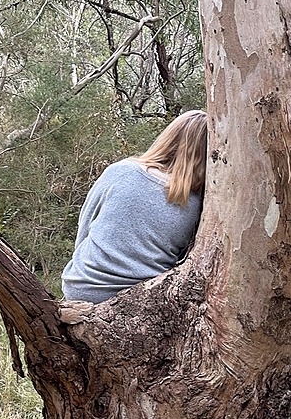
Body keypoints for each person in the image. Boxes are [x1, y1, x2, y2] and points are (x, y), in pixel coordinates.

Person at [61, 110, 208, 304]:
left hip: (82, 287)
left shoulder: (120, 171)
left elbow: (85, 225)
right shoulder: (198, 204)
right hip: (142, 299)